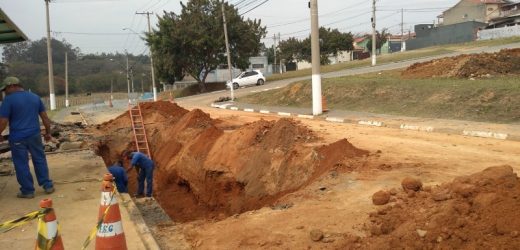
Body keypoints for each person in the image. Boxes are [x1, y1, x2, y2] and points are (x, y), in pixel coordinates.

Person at [0, 77, 54, 198]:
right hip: (35, 135)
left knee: (21, 163)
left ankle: (28, 191)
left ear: (12, 86)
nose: (5, 92)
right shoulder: (34, 97)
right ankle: (47, 185)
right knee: (40, 159)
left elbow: (3, 121)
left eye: (5, 89)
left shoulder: (8, 100)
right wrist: (48, 133)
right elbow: (45, 117)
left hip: (18, 137)